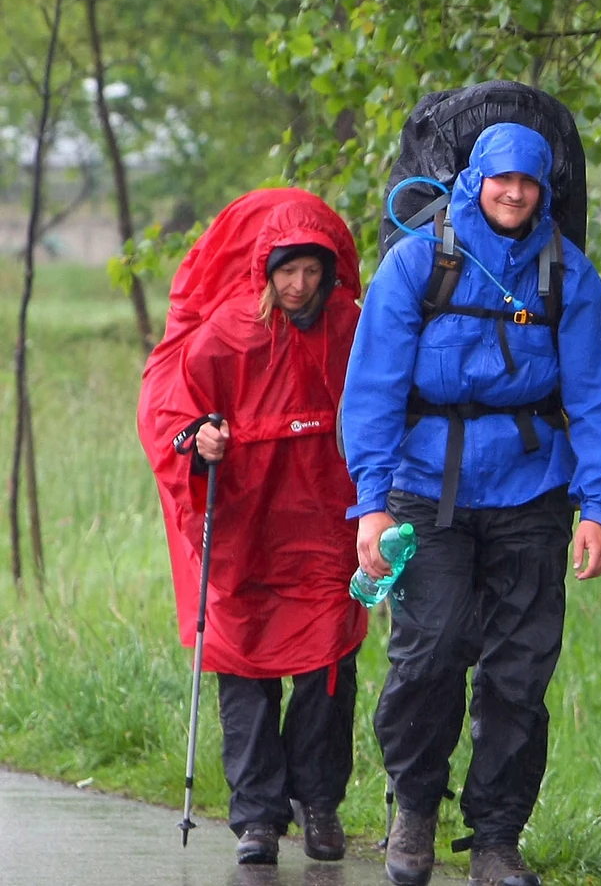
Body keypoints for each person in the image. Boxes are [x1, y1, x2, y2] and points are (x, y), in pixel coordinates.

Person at [341, 122, 601, 886]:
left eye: (529, 183)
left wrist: (597, 505)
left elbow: (600, 392)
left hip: (533, 488)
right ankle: (414, 805)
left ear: (544, 190)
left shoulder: (566, 272)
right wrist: (370, 502)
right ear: (476, 179)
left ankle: (497, 836)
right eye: (502, 179)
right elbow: (370, 389)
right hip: (422, 485)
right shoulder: (417, 263)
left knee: (520, 670)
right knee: (428, 650)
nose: (514, 193)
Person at [136, 188, 367, 866]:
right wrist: (198, 439)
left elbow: (385, 402)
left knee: (328, 661)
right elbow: (177, 409)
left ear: (330, 272)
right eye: (287, 271)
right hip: (244, 524)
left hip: (323, 519)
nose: (299, 286)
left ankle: (319, 802)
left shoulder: (351, 327)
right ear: (265, 270)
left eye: (312, 272)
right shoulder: (227, 332)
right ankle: (258, 816)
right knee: (242, 666)